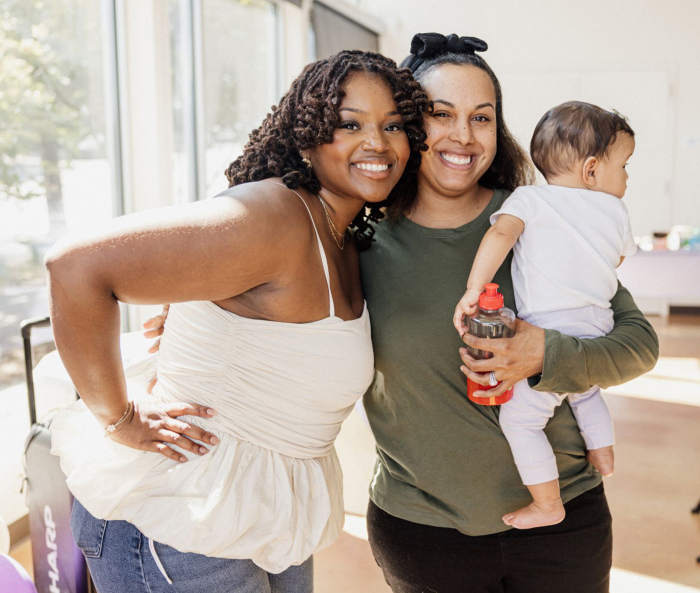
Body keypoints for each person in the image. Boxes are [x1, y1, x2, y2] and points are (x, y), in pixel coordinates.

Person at [45, 50, 428, 593]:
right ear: (307, 135)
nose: (378, 143)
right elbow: (75, 268)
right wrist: (119, 417)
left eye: (393, 126)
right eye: (350, 124)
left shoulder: (345, 235)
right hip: (182, 512)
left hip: (262, 510)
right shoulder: (274, 217)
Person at [359, 34, 658, 592]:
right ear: (406, 124)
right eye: (439, 114)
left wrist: (545, 351)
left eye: (482, 117)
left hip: (563, 522)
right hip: (424, 530)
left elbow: (639, 345)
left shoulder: (542, 217)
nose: (463, 135)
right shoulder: (364, 237)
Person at [453, 101, 637, 530]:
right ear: (591, 171)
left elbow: (501, 233)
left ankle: (548, 503)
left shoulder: (530, 199)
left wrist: (474, 289)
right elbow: (620, 259)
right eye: (625, 166)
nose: (626, 176)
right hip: (598, 322)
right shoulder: (616, 210)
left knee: (520, 421)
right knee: (586, 391)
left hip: (550, 325)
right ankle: (603, 452)